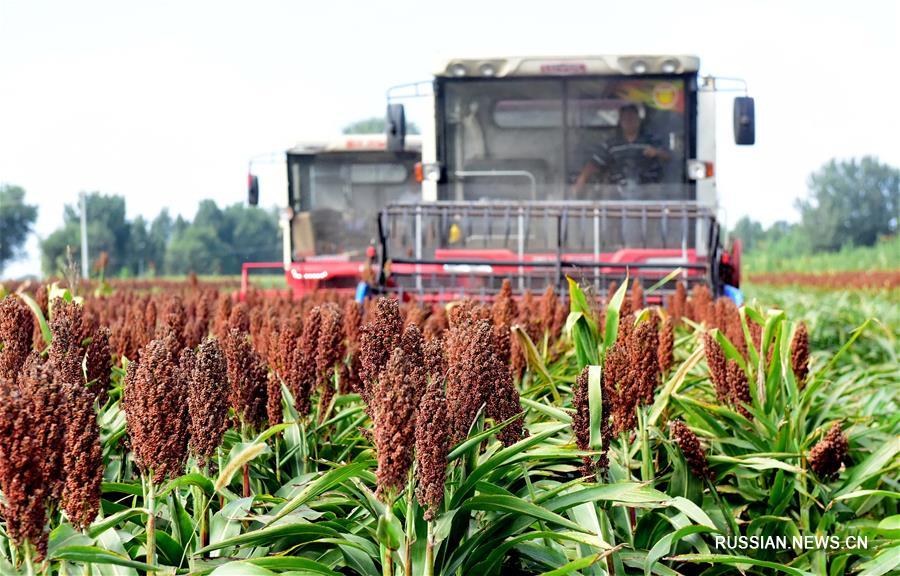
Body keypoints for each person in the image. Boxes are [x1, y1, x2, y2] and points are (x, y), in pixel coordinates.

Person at [573, 104, 670, 198]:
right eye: (625, 119)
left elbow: (669, 157)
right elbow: (595, 162)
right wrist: (582, 179)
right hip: (617, 193)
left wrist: (657, 152)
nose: (629, 122)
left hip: (648, 191)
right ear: (620, 122)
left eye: (632, 118)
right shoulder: (611, 144)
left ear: (639, 121)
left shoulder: (651, 140)